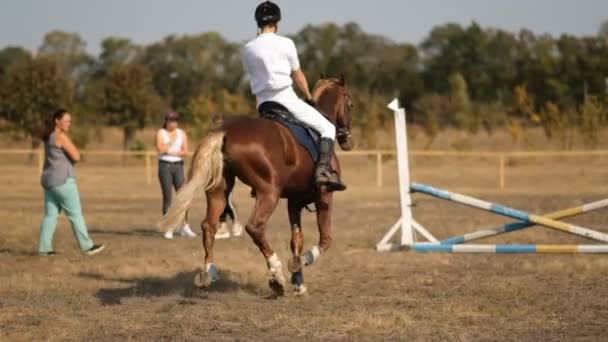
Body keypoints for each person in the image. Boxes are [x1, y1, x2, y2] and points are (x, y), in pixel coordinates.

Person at [242, 1, 346, 191]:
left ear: (258, 23)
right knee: (328, 128)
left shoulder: (248, 48)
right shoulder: (286, 43)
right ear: (277, 23)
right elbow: (298, 75)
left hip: (263, 105)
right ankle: (322, 171)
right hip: (286, 99)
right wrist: (308, 97)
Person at [38, 109, 105, 256]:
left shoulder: (48, 137)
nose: (69, 123)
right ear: (57, 121)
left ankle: (44, 248)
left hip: (49, 181)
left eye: (70, 121)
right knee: (75, 214)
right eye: (67, 120)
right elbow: (76, 156)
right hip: (63, 181)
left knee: (50, 216)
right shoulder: (61, 137)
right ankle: (87, 247)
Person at [156, 111, 198, 239]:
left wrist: (169, 151)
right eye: (170, 120)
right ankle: (169, 227)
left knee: (183, 196)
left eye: (175, 121)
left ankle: (184, 225)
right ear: (166, 121)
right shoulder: (161, 133)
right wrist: (170, 142)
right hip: (165, 166)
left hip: (178, 166)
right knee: (167, 197)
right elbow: (160, 149)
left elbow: (185, 151)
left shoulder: (181, 133)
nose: (173, 123)